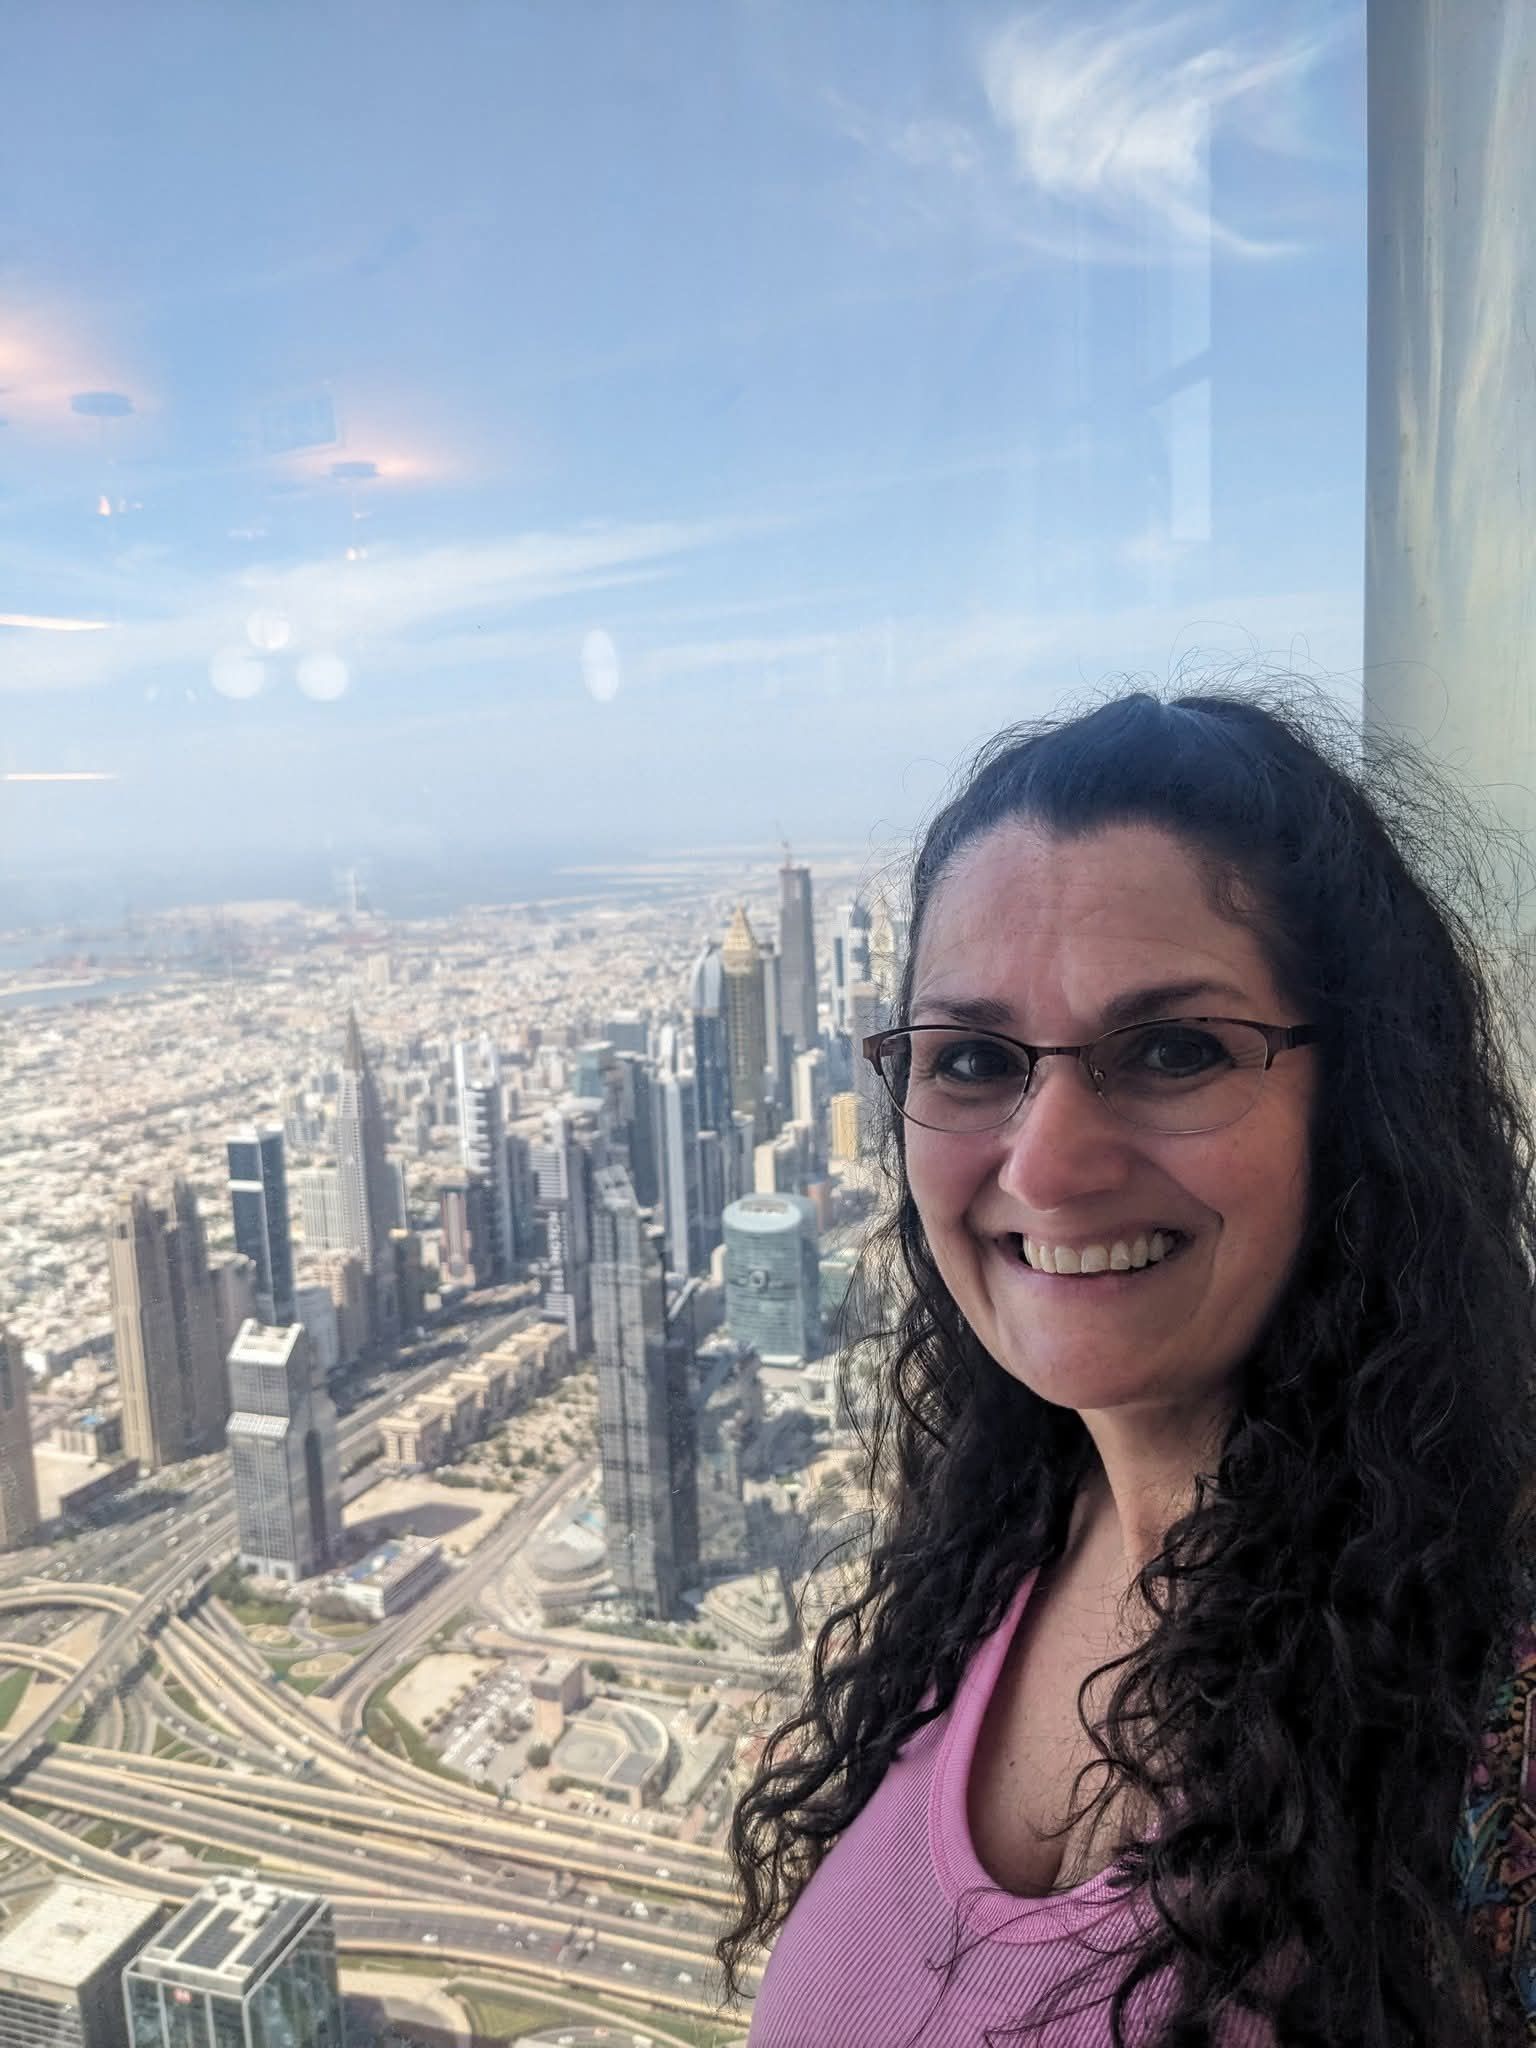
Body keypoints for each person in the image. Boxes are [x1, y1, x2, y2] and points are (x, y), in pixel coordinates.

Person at [716, 687, 1536, 2047]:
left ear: (1361, 1103)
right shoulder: (992, 1546)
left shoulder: (1500, 1703)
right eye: (973, 1058)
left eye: (1170, 1051)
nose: (1045, 1164)